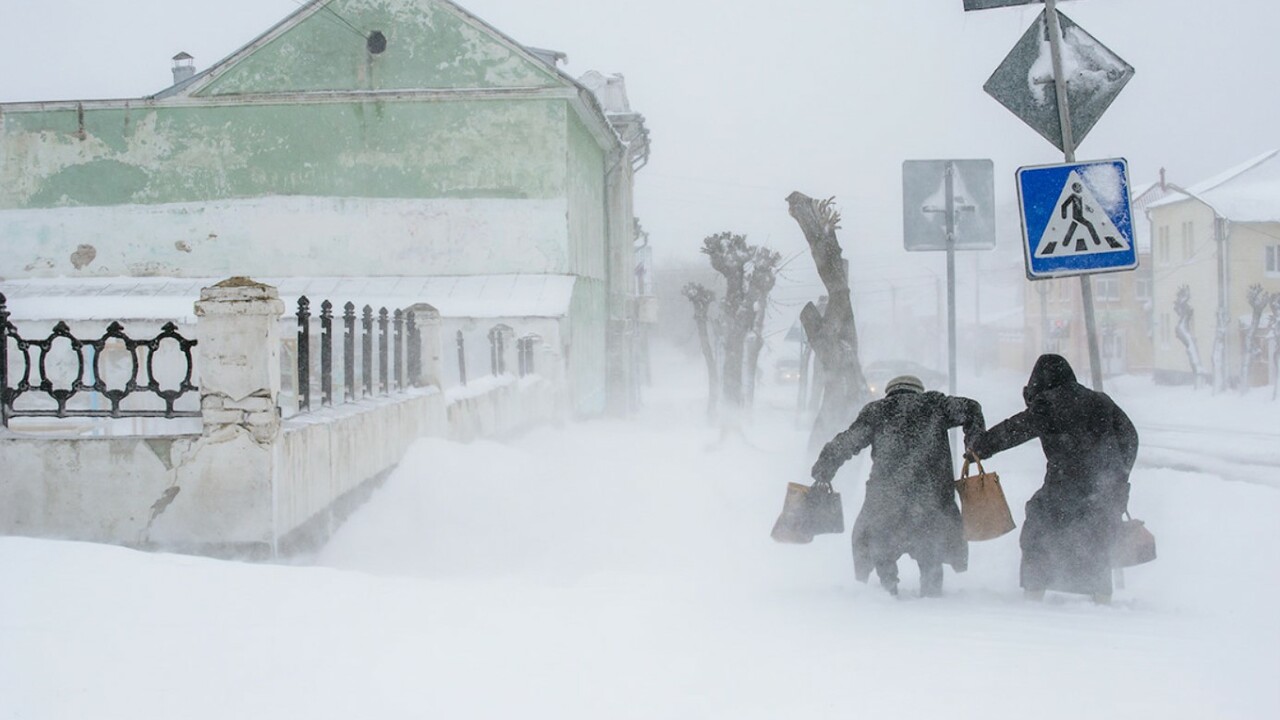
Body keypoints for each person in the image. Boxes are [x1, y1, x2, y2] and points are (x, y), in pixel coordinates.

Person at [967, 353, 1138, 604]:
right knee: (1097, 539)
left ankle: (1034, 595)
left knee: (1038, 531)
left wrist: (980, 447)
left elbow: (1015, 429)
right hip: (1105, 488)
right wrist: (1117, 474)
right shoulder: (1100, 400)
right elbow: (1130, 436)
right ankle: (1102, 599)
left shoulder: (1049, 402)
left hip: (1066, 485)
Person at [811, 375, 984, 597]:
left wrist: (824, 469)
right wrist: (974, 444)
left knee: (881, 547)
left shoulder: (877, 411)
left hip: (886, 498)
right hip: (930, 498)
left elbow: (848, 441)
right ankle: (932, 599)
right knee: (930, 553)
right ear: (918, 391)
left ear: (890, 392)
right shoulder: (936, 405)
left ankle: (888, 593)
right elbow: (972, 407)